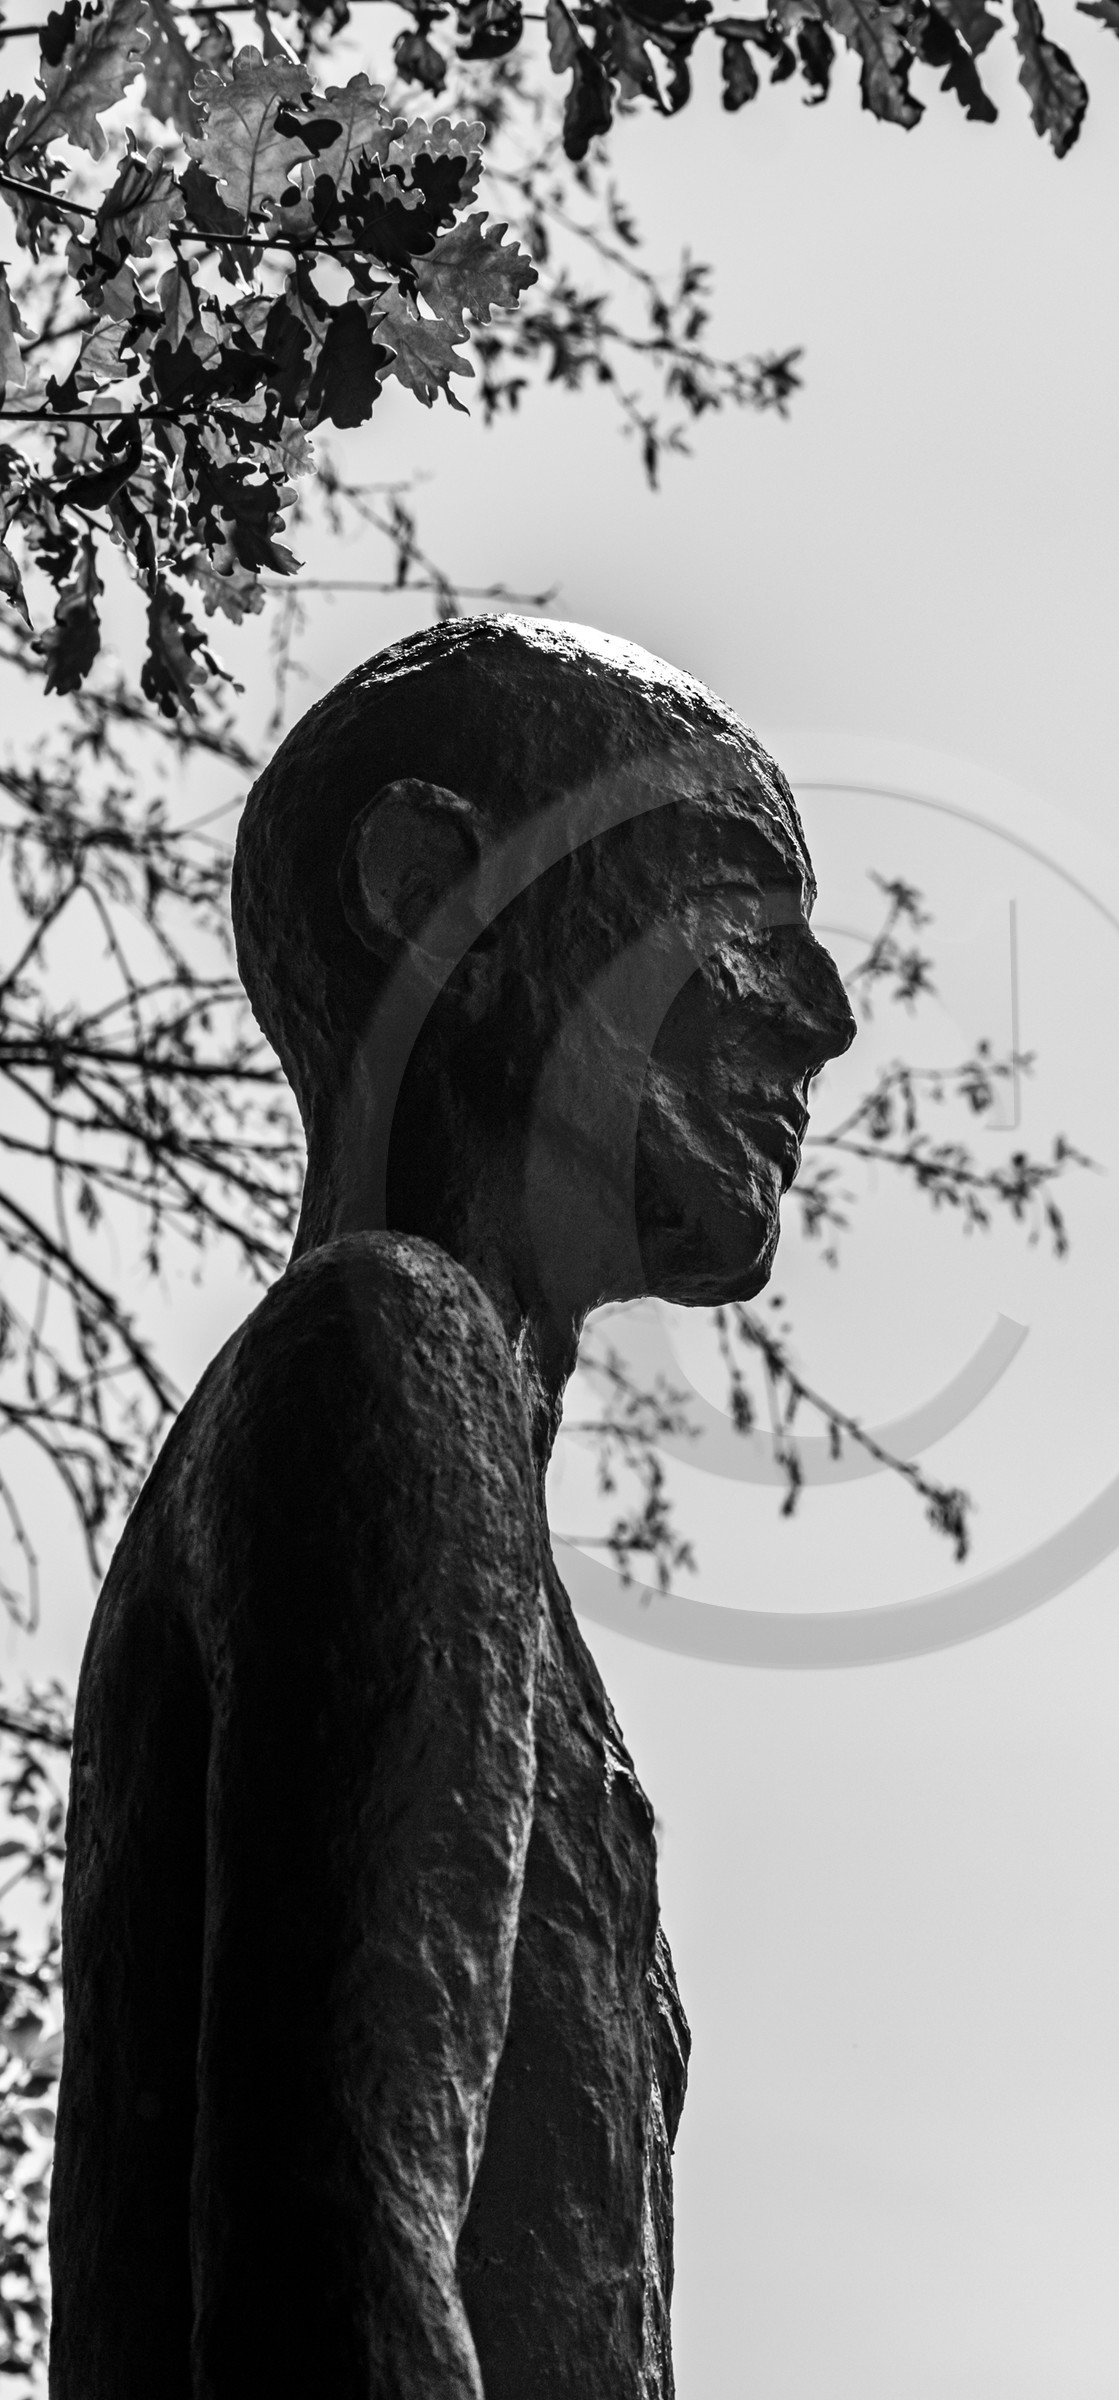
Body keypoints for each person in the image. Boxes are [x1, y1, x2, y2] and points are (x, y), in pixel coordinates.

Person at [47, 616, 856, 2400]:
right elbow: (328, 2257)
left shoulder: (416, 1421)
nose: (822, 1012)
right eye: (736, 902)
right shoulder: (384, 1355)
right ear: (434, 896)